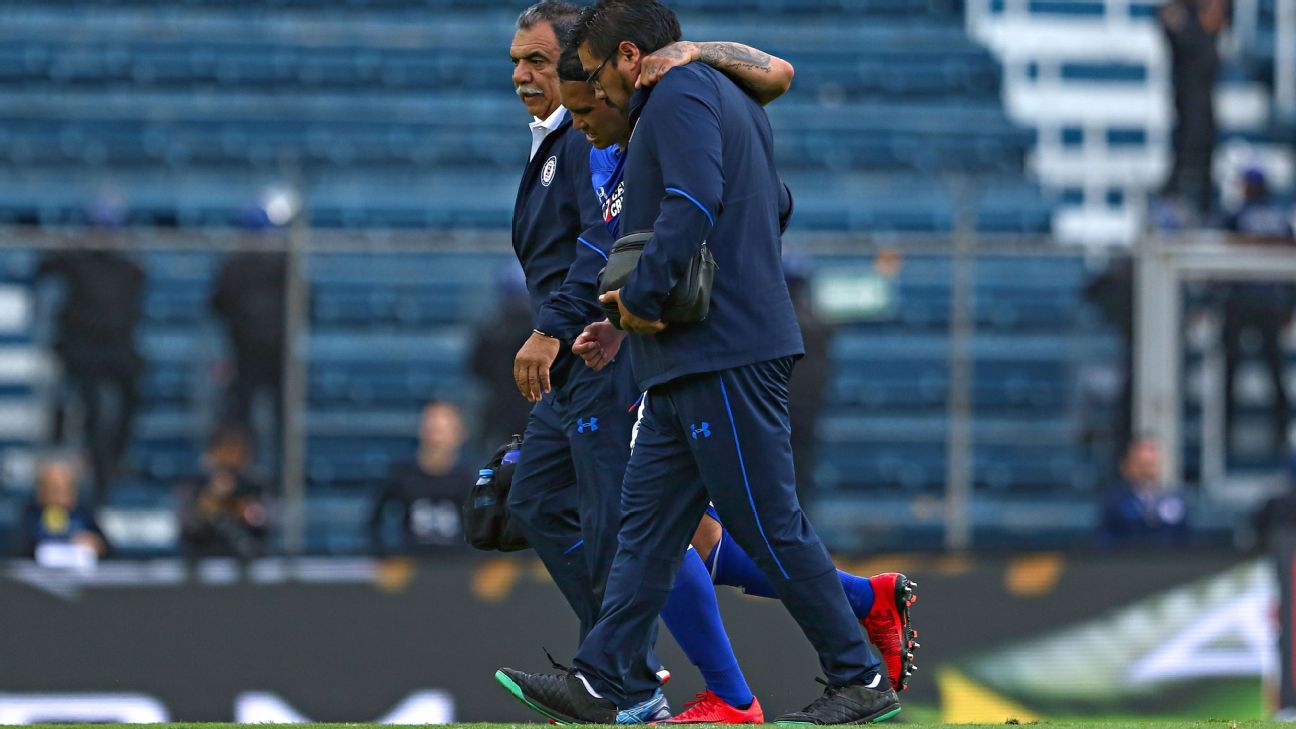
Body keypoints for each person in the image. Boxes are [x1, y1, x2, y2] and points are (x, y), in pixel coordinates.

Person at [496, 2, 901, 725]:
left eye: (589, 72)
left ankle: (860, 674)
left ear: (627, 55)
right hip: (684, 354)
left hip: (724, 351)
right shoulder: (710, 91)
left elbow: (692, 199)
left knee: (767, 524)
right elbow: (770, 200)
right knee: (645, 530)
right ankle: (603, 677)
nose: (585, 91)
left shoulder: (680, 94)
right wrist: (624, 324)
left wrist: (644, 296)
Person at [1219, 168, 1296, 456]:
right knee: (1270, 370)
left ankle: (1229, 434)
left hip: (1246, 300)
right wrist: (1290, 305)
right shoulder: (1279, 216)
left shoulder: (1239, 215)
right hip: (1267, 302)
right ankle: (1276, 433)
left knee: (1242, 370)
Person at [210, 204, 289, 470]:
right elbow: (218, 306)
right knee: (243, 420)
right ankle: (246, 476)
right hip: (246, 354)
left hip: (271, 354)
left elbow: (306, 304)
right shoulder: (236, 268)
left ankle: (276, 477)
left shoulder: (280, 265)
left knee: (276, 418)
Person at [368, 401, 474, 555]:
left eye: (443, 430)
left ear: (459, 434)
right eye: (432, 429)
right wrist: (385, 556)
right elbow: (374, 521)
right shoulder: (401, 475)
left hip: (459, 567)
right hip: (411, 564)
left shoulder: (471, 479)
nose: (436, 438)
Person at [1159, 0, 1227, 216]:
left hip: (1204, 112)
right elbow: (1168, 18)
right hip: (1187, 110)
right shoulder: (1186, 35)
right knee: (1184, 163)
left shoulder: (1210, 41)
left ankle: (1204, 210)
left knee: (1204, 166)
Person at [178, 424, 270, 560]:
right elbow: (188, 528)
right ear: (213, 453)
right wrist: (212, 497)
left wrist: (243, 512)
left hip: (247, 565)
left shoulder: (255, 487)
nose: (230, 459)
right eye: (225, 451)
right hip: (201, 565)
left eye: (237, 452)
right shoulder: (194, 486)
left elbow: (265, 525)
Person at [469, 267, 536, 452]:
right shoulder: (494, 331)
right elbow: (477, 368)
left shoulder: (493, 329)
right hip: (512, 412)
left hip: (507, 412)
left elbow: (477, 369)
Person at [1098, 436, 1190, 547]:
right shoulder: (1114, 502)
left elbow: (1186, 538)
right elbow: (1105, 539)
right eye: (1142, 464)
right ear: (1128, 465)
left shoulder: (1176, 499)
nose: (1148, 459)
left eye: (1152, 463)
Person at [19, 456, 109, 560]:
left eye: (66, 489)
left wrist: (96, 543)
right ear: (41, 492)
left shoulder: (83, 513)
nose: (60, 497)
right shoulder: (31, 514)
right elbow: (21, 549)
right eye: (54, 490)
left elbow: (106, 548)